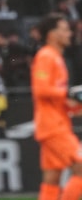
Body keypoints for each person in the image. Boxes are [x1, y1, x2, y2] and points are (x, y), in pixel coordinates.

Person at [31, 13, 82, 200]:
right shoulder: (46, 56)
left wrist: (74, 106)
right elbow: (41, 89)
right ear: (52, 34)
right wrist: (69, 94)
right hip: (54, 127)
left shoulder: (56, 58)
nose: (69, 33)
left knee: (52, 179)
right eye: (65, 29)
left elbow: (55, 97)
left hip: (54, 124)